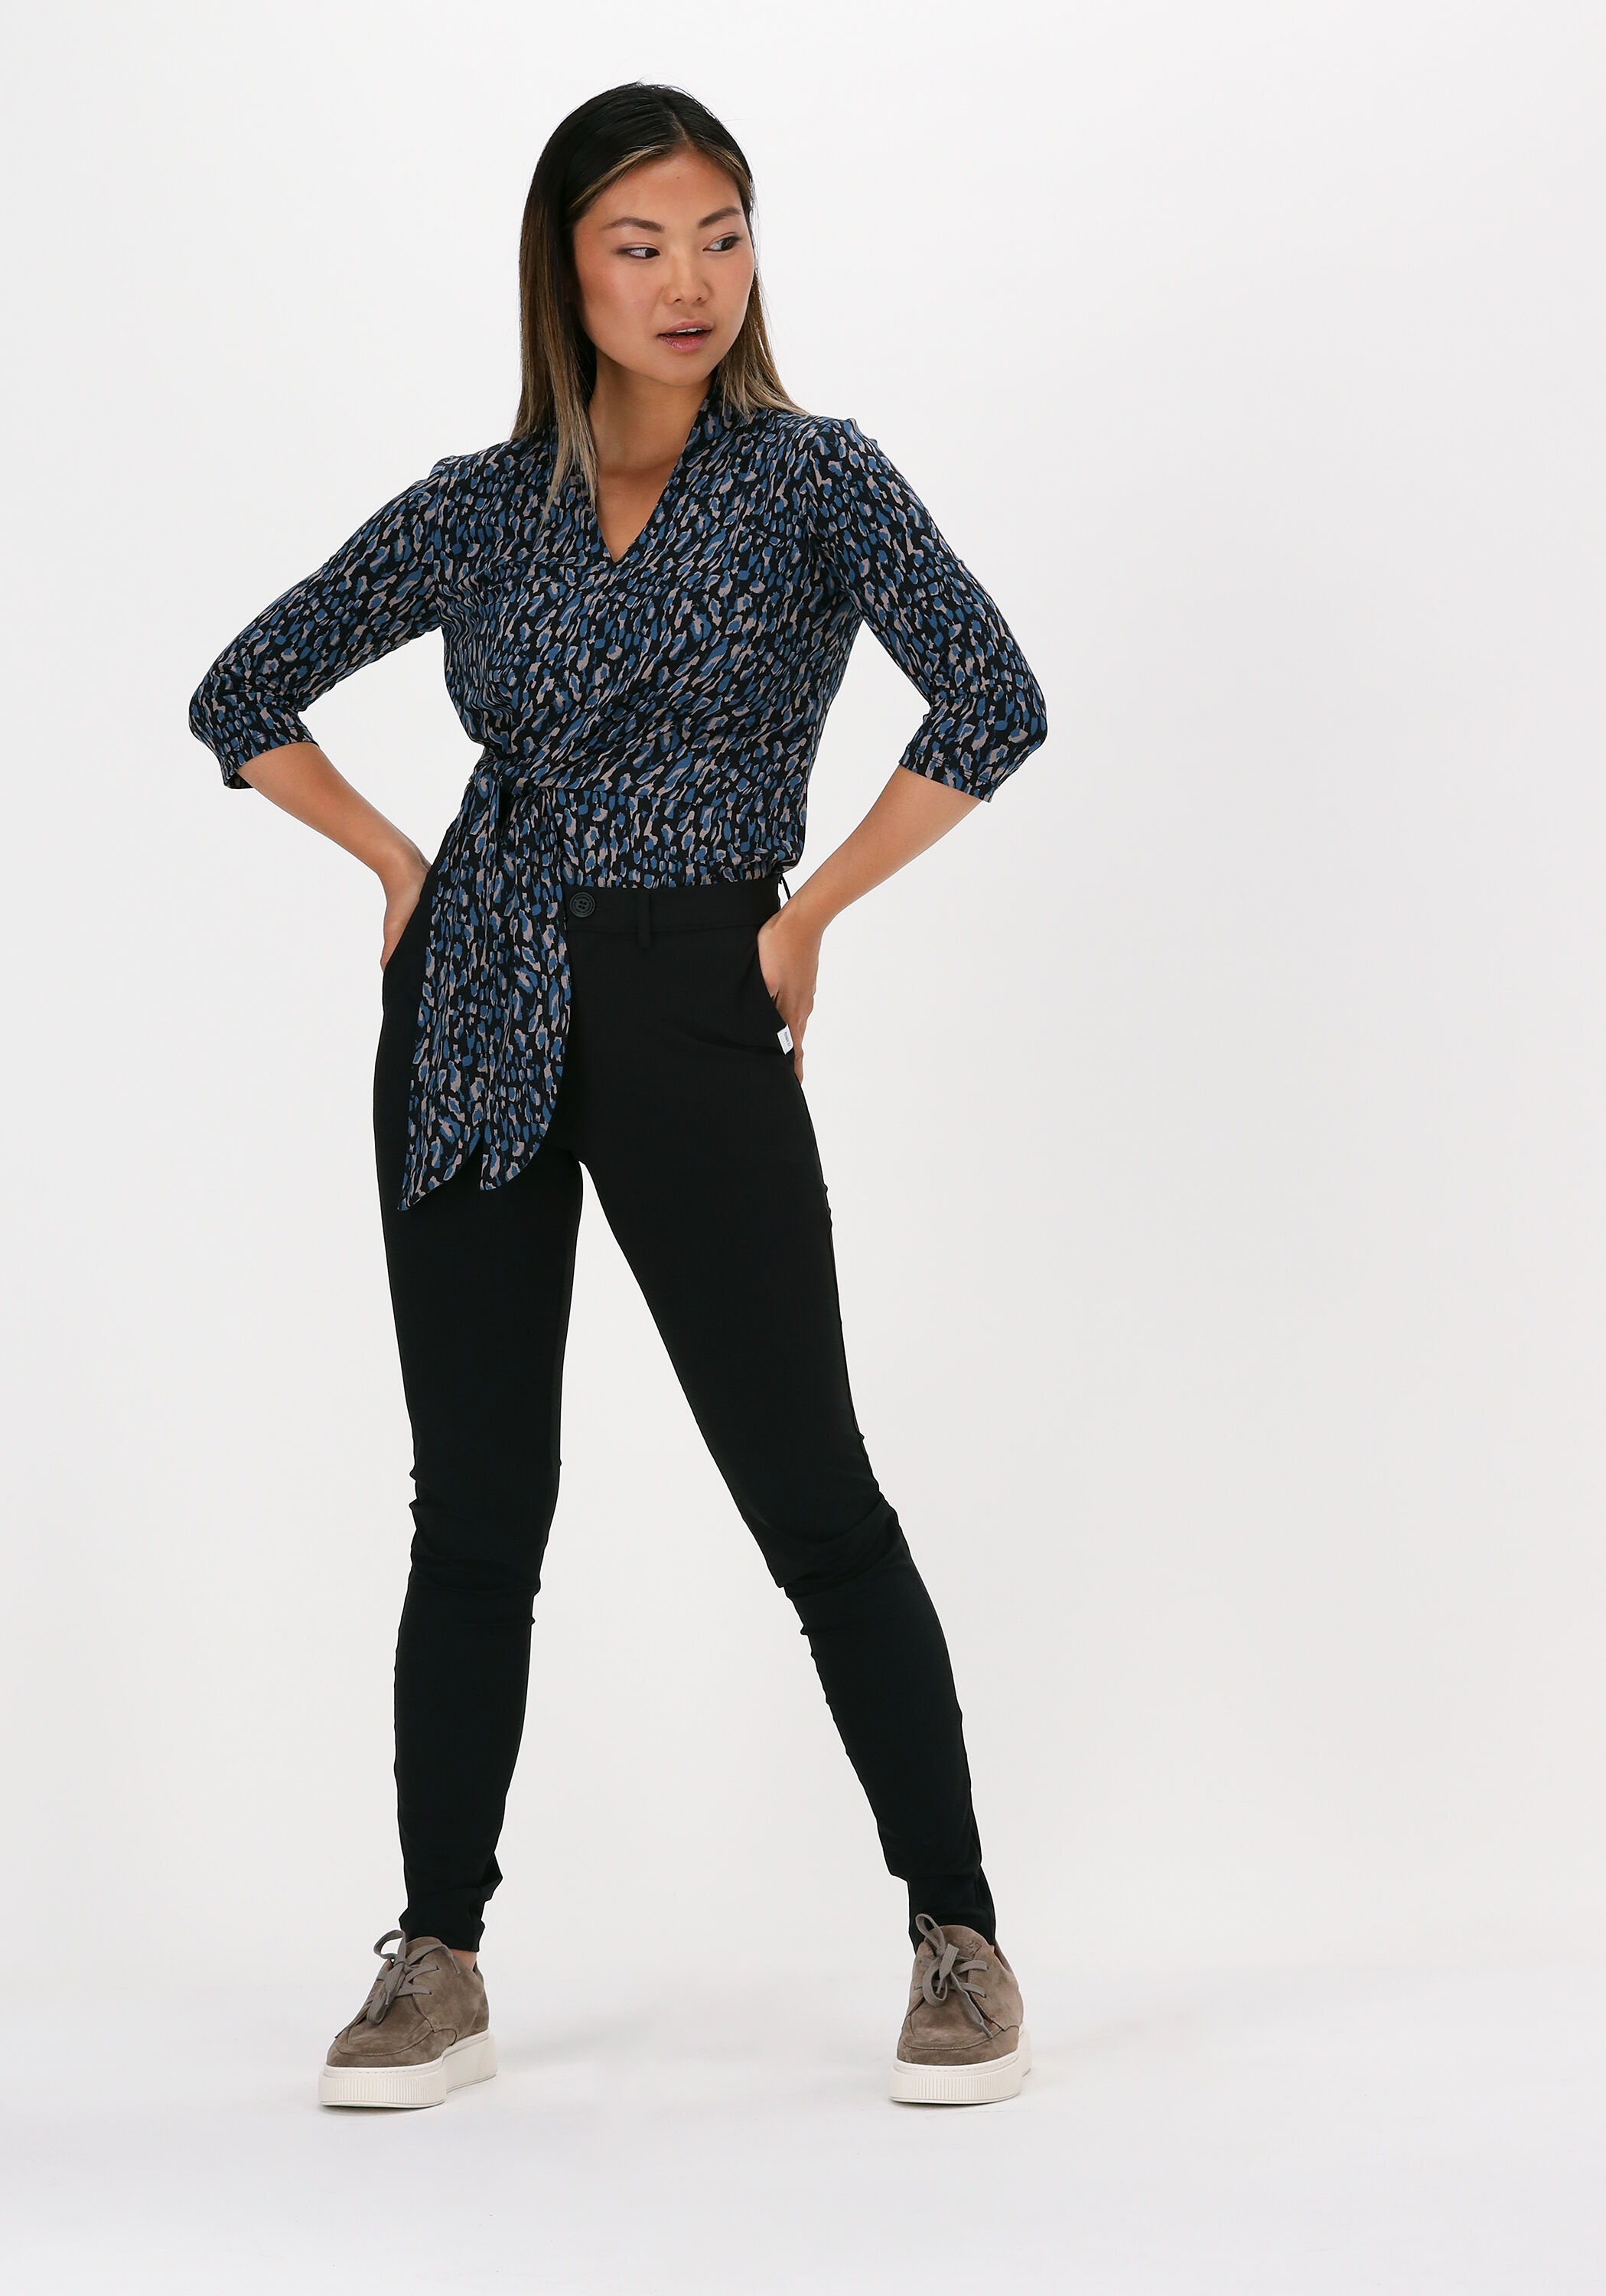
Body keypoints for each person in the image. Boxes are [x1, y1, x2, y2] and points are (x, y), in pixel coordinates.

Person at [189, 80, 1048, 2111]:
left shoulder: (815, 478)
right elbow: (242, 691)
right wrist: (398, 865)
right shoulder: (481, 505)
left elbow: (993, 697)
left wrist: (809, 914)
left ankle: (956, 1931)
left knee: (810, 1488)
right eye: (639, 244)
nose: (687, 281)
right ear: (562, 271)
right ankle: (437, 1953)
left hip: (693, 986)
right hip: (473, 997)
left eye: (719, 237)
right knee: (475, 1504)